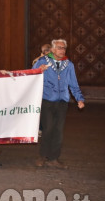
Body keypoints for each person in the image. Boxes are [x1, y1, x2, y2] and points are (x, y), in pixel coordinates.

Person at [32, 39, 85, 169]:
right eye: (60, 48)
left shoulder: (68, 65)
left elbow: (73, 83)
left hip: (62, 101)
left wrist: (79, 98)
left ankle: (54, 158)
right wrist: (39, 70)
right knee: (48, 128)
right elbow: (32, 74)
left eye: (64, 48)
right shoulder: (43, 61)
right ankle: (42, 156)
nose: (62, 50)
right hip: (47, 100)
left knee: (58, 131)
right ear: (53, 49)